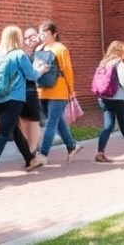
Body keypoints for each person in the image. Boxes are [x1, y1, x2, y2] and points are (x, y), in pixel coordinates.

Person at [0, 25, 40, 182]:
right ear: (17, 38)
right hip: (13, 99)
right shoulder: (19, 55)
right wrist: (41, 70)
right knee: (4, 133)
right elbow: (31, 76)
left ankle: (29, 159)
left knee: (13, 128)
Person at [36, 21, 83, 166]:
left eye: (45, 33)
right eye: (41, 33)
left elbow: (67, 70)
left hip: (50, 89)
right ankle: (72, 146)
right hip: (49, 90)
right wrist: (71, 89)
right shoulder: (50, 48)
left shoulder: (56, 48)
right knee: (56, 121)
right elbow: (66, 70)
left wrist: (71, 89)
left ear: (54, 34)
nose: (42, 36)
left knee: (52, 122)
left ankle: (43, 153)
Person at [21, 27, 45, 171]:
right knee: (33, 123)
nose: (31, 40)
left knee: (26, 123)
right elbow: (32, 75)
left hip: (20, 94)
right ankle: (31, 154)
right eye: (28, 37)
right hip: (29, 92)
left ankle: (28, 154)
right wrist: (42, 70)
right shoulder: (26, 54)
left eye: (33, 37)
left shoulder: (22, 52)